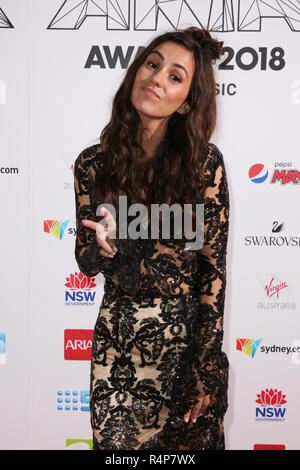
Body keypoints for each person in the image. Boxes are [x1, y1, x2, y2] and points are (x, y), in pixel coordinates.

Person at [74, 27, 230, 450]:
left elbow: (211, 270)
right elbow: (86, 259)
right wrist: (102, 248)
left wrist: (204, 363)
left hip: (183, 348)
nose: (158, 78)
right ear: (136, 71)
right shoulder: (92, 164)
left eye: (175, 76)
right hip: (117, 345)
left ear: (187, 104)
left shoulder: (203, 166)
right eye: (153, 63)